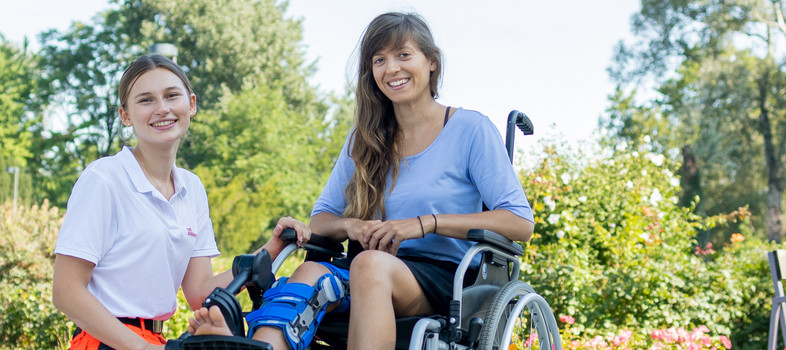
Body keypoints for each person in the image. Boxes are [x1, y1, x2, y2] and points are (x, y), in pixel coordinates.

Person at [189, 11, 534, 350]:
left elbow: (519, 222)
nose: (392, 68)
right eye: (379, 59)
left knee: (368, 264)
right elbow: (321, 219)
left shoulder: (470, 129)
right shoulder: (365, 138)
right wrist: (352, 226)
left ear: (431, 61)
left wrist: (424, 224)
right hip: (364, 271)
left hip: (446, 279)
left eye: (403, 55)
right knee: (308, 275)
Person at [52, 54, 311, 350]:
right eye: (146, 100)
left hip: (156, 341)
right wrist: (145, 349)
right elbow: (66, 291)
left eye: (171, 96)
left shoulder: (192, 187)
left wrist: (271, 248)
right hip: (105, 342)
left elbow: (200, 294)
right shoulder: (105, 178)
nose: (162, 109)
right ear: (125, 116)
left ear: (191, 104)